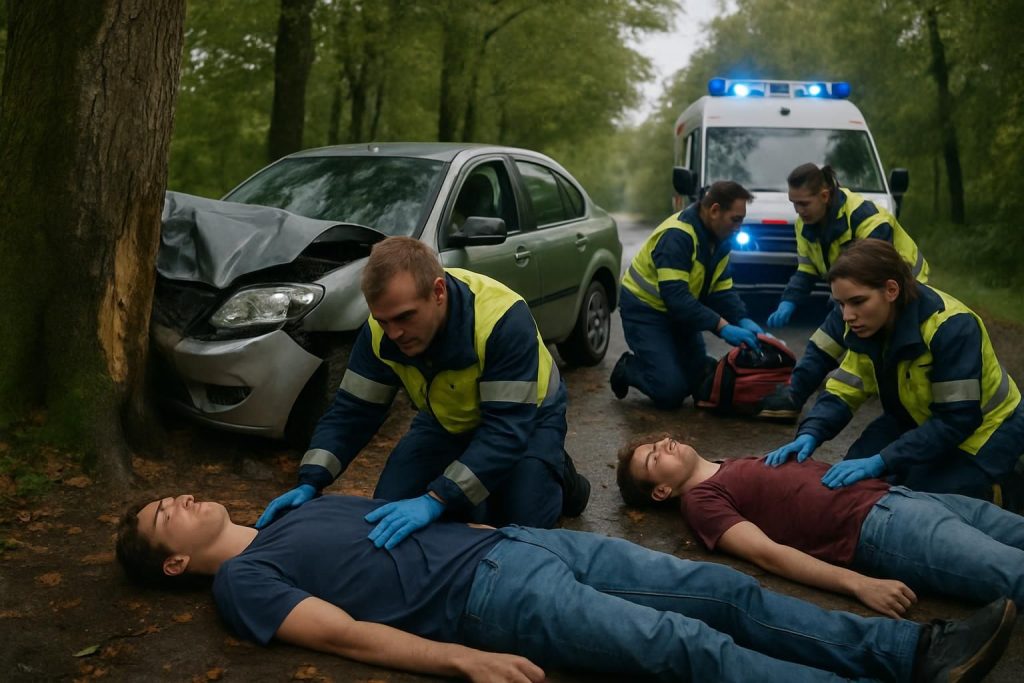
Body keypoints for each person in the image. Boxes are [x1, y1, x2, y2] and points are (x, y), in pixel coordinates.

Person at [115, 492, 1016, 683]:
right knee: (692, 650)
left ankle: (912, 651)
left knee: (723, 595)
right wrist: (463, 659)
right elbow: (344, 634)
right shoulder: (244, 580)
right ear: (172, 561)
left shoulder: (290, 512)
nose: (181, 496)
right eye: (166, 513)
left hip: (522, 544)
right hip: (497, 603)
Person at [257, 237, 590, 548]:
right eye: (384, 320)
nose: (395, 333)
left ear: (439, 292)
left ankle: (557, 469)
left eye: (404, 317)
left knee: (518, 530)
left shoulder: (501, 320)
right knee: (386, 509)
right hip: (448, 421)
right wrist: (311, 479)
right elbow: (352, 411)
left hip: (526, 421)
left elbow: (505, 431)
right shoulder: (381, 329)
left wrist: (438, 499)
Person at [617, 433, 1024, 617]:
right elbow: (769, 556)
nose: (663, 445)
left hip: (901, 497)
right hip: (882, 528)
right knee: (1012, 572)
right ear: (661, 492)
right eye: (654, 459)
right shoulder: (701, 503)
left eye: (656, 442)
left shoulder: (727, 465)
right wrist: (859, 584)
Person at [765, 240, 1024, 509]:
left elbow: (958, 420)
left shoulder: (951, 327)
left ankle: (1004, 488)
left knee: (928, 502)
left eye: (857, 301)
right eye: (840, 304)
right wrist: (811, 432)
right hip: (918, 418)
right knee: (851, 488)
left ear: (891, 290)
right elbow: (846, 388)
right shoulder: (869, 323)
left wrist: (884, 459)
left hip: (988, 428)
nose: (847, 316)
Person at [758, 163, 929, 420]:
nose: (798, 211)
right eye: (794, 204)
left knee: (837, 334)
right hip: (862, 289)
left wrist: (841, 304)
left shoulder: (868, 219)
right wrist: (789, 301)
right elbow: (807, 270)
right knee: (838, 337)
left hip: (904, 288)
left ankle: (798, 395)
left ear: (824, 196)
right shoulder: (805, 226)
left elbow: (869, 275)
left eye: (803, 204)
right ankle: (797, 393)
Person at [611, 181, 764, 409]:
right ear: (714, 211)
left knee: (698, 384)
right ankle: (628, 368)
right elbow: (677, 298)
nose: (739, 227)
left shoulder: (719, 240)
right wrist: (721, 326)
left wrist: (741, 318)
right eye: (736, 219)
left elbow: (721, 289)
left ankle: (677, 367)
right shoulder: (678, 236)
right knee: (670, 392)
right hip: (646, 312)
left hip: (680, 314)